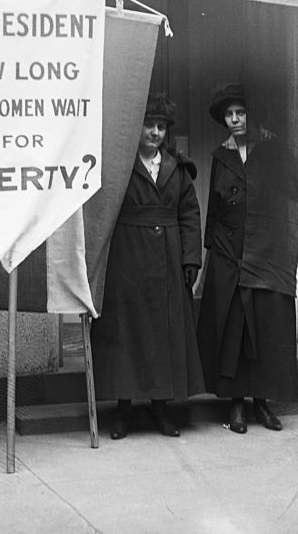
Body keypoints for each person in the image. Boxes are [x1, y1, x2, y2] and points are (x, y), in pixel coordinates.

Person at [90, 93, 205, 439]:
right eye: (149, 125)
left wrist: (190, 258)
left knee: (162, 335)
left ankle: (161, 409)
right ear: (137, 128)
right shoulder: (120, 166)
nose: (155, 132)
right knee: (126, 333)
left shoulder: (177, 168)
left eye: (161, 127)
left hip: (168, 261)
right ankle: (122, 412)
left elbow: (190, 213)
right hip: (127, 257)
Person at [197, 83, 298, 434]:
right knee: (233, 329)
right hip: (228, 255)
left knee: (267, 327)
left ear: (251, 115)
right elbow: (213, 211)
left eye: (240, 113)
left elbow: (293, 196)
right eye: (229, 114)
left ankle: (263, 403)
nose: (235, 119)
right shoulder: (220, 157)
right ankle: (236, 404)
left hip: (267, 252)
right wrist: (206, 261)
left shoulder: (272, 151)